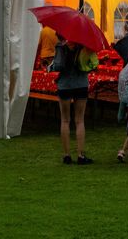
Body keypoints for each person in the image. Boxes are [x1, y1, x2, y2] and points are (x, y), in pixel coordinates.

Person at [48, 34, 93, 165]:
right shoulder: (83, 44)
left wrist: (50, 67)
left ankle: (67, 155)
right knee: (80, 121)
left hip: (65, 85)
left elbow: (58, 65)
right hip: (81, 83)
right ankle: (80, 155)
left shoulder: (61, 46)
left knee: (65, 120)